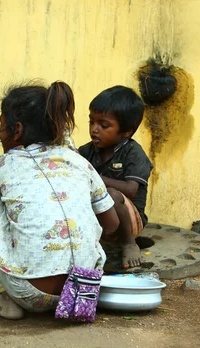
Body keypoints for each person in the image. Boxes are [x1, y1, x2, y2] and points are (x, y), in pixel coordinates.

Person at [0, 81, 119, 320]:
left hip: (28, 293)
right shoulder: (80, 162)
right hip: (84, 290)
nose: (0, 133)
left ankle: (2, 297)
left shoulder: (5, 164)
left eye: (2, 127)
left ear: (16, 131)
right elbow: (112, 223)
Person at [78, 86, 153, 269]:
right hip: (99, 222)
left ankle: (128, 244)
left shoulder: (133, 153)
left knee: (110, 195)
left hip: (128, 221)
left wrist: (92, 175)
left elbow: (130, 189)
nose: (94, 130)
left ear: (126, 131)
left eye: (103, 125)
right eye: (91, 122)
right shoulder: (87, 151)